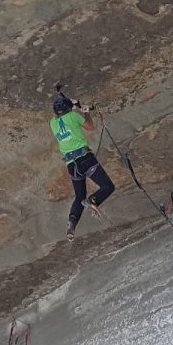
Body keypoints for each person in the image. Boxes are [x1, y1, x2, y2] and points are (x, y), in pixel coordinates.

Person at [49, 91, 115, 241]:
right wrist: (85, 111)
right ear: (68, 109)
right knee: (107, 186)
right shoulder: (74, 116)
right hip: (85, 159)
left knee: (79, 196)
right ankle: (93, 200)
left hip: (71, 164)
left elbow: (66, 115)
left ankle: (72, 223)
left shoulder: (52, 123)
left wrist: (73, 105)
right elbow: (90, 127)